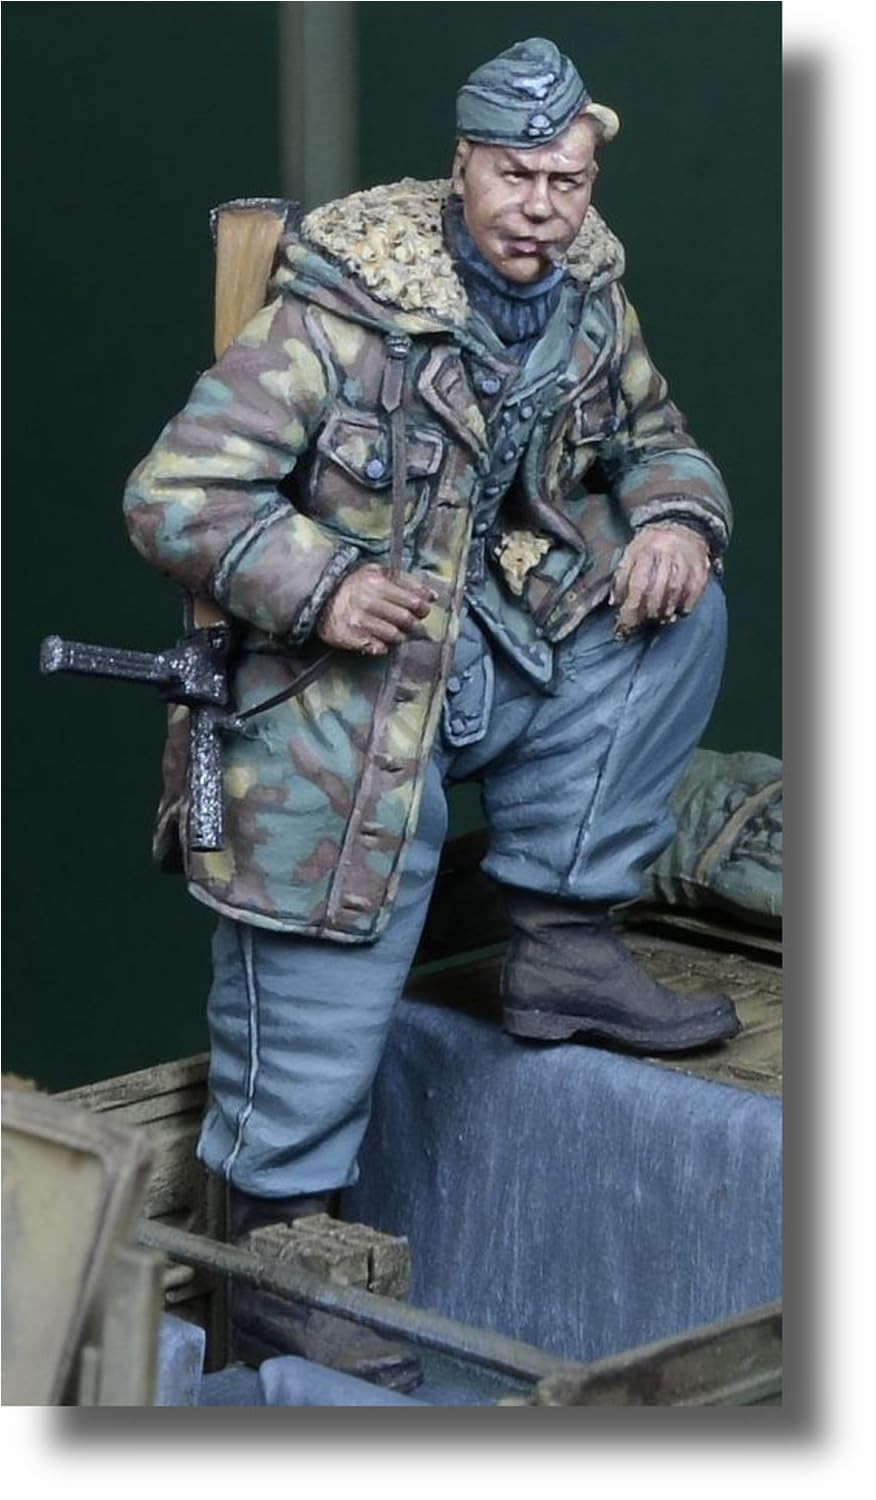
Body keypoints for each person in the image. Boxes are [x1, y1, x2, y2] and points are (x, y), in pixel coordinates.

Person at [124, 38, 739, 1384]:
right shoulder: (338, 316)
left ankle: (562, 937)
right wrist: (323, 584)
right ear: (462, 167)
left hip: (500, 657)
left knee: (678, 612)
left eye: (567, 181)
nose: (542, 207)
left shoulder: (588, 304)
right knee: (319, 978)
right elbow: (177, 494)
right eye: (516, 176)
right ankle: (280, 1266)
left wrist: (675, 520)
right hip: (339, 699)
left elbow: (659, 440)